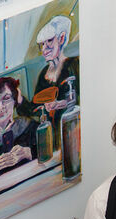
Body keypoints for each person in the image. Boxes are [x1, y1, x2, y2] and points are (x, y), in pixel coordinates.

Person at [17, 14, 79, 151]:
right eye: (42, 45)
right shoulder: (43, 75)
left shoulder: (74, 67)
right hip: (53, 140)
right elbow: (36, 109)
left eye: (49, 41)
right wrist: (20, 100)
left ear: (62, 38)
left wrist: (61, 104)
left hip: (74, 132)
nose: (44, 49)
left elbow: (83, 100)